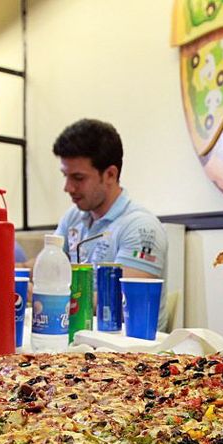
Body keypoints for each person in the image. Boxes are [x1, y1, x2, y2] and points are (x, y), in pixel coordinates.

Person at [51, 118, 168, 329]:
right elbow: (49, 262)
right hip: (79, 338)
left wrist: (49, 295)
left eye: (78, 178)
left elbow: (121, 303)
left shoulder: (141, 227)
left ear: (110, 175)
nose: (67, 187)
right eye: (65, 176)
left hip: (128, 350)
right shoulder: (74, 216)